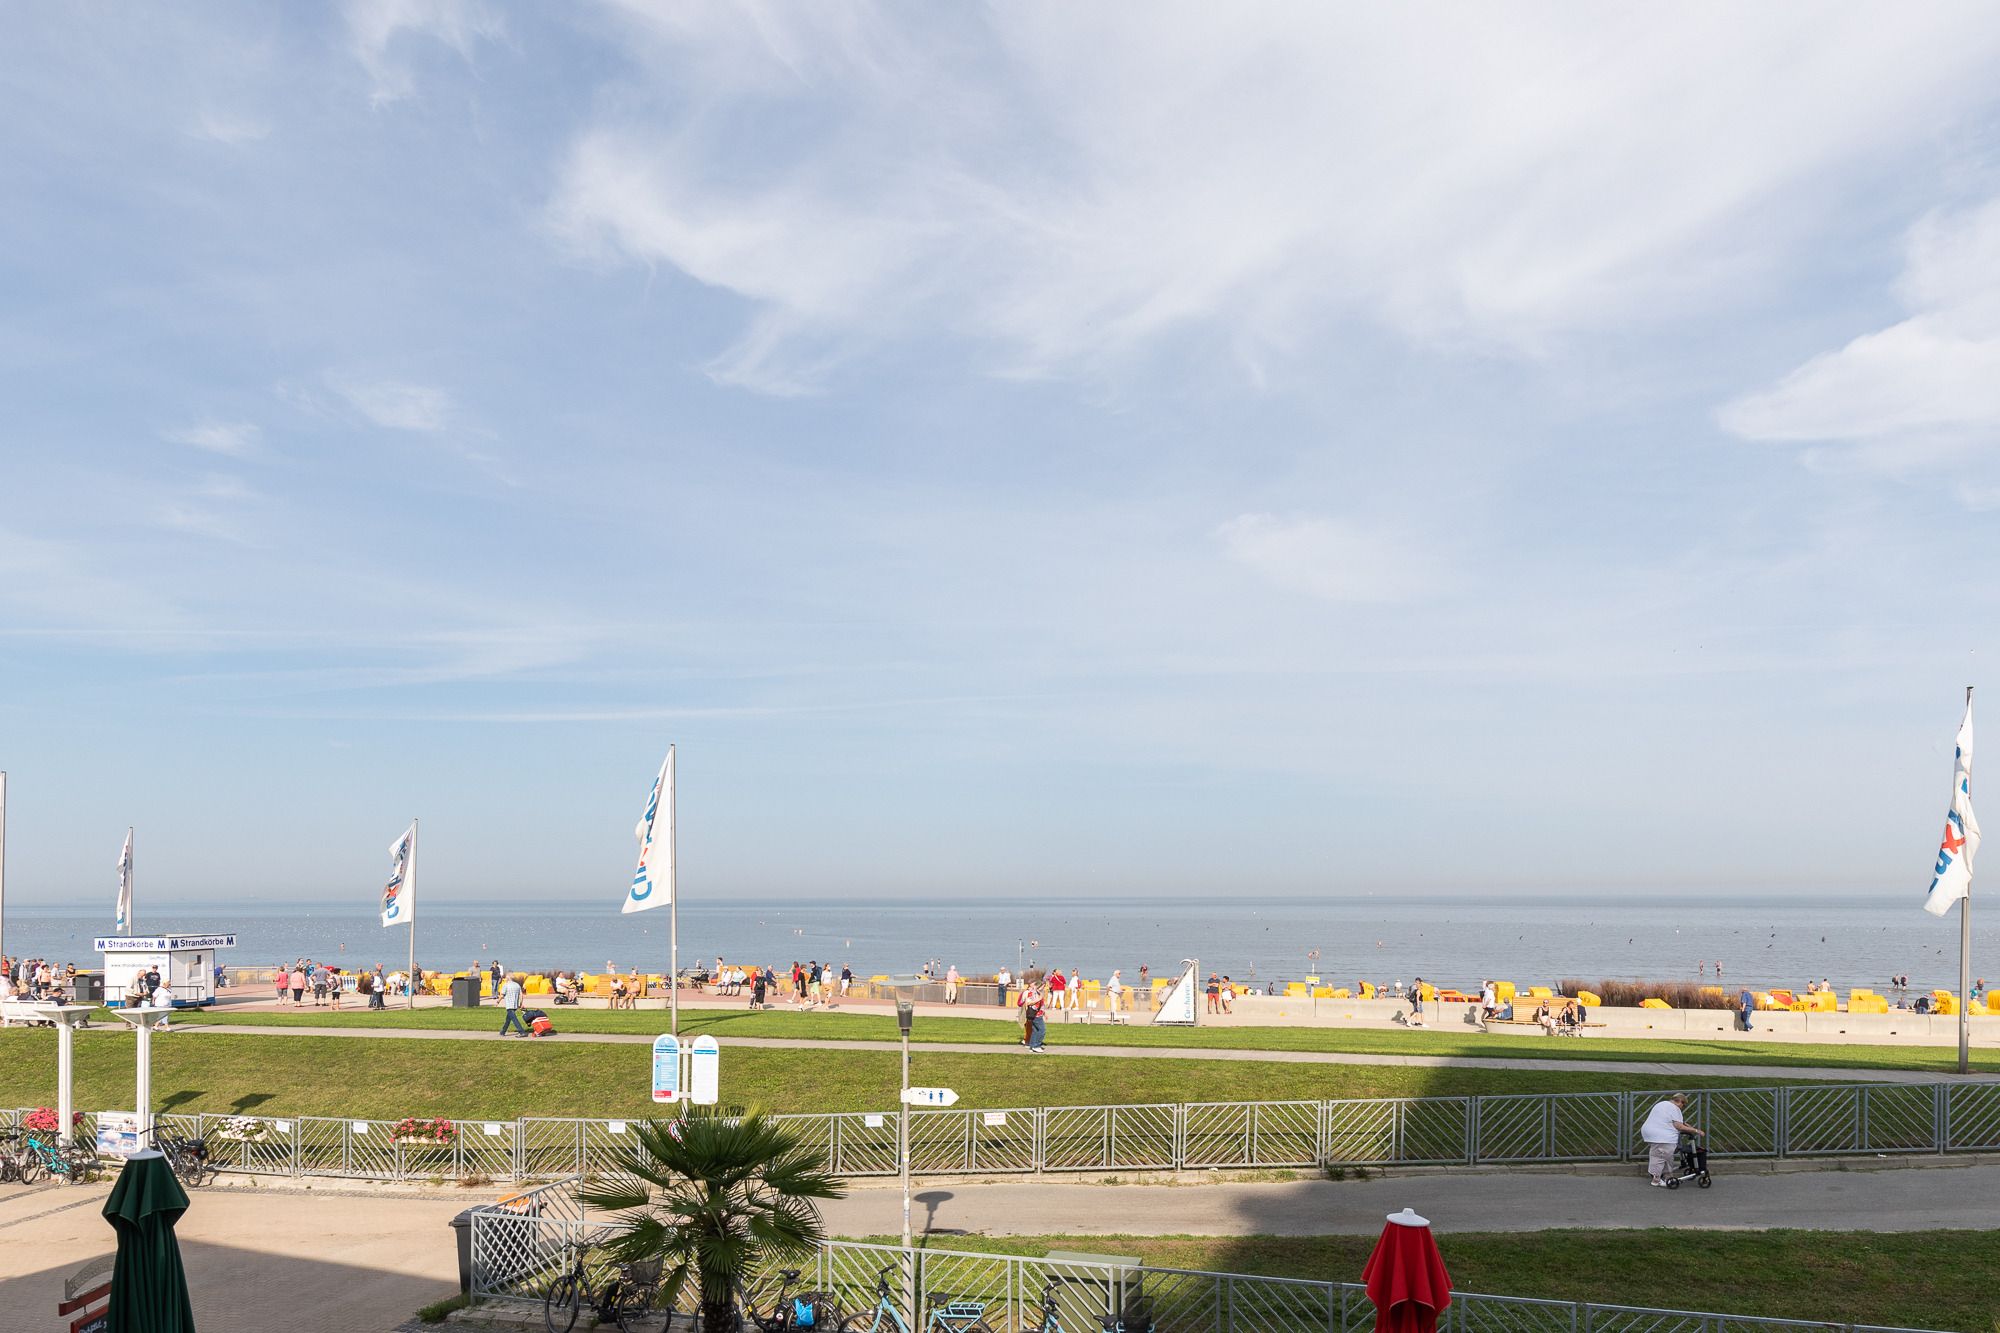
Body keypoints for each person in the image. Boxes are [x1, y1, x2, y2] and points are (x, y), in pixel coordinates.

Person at [1639, 1093, 1703, 1187]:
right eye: (1683, 1105)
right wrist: (1696, 1131)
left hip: (1650, 1133)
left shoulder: (1662, 1104)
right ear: (1680, 1101)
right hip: (1662, 1136)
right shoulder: (1675, 1108)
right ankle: (1656, 1180)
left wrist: (1687, 1126)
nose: (1682, 1107)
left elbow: (1671, 1120)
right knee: (1660, 1157)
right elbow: (1679, 1126)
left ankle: (1668, 1176)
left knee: (1664, 1156)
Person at [1018, 977, 1046, 1052]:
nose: (1043, 988)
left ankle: (1032, 1046)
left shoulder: (1038, 993)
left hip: (1038, 1014)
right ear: (1038, 986)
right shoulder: (1032, 993)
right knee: (1042, 1030)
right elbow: (1028, 1003)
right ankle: (1036, 1046)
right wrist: (1039, 999)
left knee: (1035, 1031)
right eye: (1042, 986)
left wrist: (1044, 1013)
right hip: (1035, 1015)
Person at [498, 972, 528, 1037]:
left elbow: (502, 995)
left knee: (514, 1019)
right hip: (515, 1005)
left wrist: (498, 1001)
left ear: (508, 978)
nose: (505, 979)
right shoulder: (517, 985)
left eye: (506, 978)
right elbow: (521, 995)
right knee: (508, 1019)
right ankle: (503, 1031)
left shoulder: (506, 985)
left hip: (509, 1005)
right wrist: (521, 1003)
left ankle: (522, 1032)